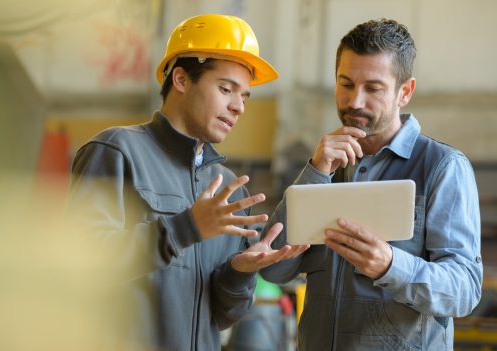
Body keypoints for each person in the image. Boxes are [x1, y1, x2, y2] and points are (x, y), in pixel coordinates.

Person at [66, 14, 308, 351]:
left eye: (245, 97)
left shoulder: (229, 188)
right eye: (226, 89)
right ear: (181, 79)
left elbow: (225, 316)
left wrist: (240, 271)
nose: (238, 107)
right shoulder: (117, 152)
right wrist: (185, 228)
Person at [260, 18, 483, 350]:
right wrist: (316, 172)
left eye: (373, 88)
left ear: (404, 92)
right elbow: (274, 270)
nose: (355, 102)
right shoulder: (325, 165)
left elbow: (464, 289)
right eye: (345, 83)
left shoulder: (442, 167)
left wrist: (391, 266)